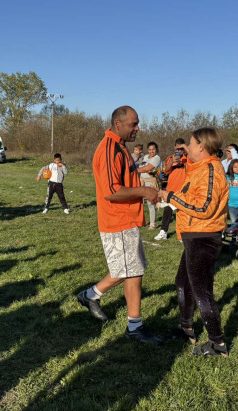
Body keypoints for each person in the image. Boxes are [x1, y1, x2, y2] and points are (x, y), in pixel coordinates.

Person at [77, 105, 162, 345]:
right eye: (133, 124)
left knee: (130, 269)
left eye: (137, 124)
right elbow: (111, 191)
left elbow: (125, 176)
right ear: (118, 124)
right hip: (117, 220)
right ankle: (134, 326)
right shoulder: (108, 149)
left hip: (126, 219)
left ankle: (91, 296)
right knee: (131, 271)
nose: (138, 128)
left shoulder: (120, 148)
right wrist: (145, 191)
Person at [158, 127, 229, 357]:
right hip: (194, 235)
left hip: (204, 237)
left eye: (190, 143)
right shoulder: (199, 167)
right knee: (183, 282)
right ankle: (186, 328)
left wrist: (171, 197)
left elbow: (203, 207)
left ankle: (218, 344)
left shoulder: (211, 169)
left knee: (201, 292)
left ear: (202, 145)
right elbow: (193, 195)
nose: (187, 147)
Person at [155, 138, 187, 241]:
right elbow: (166, 170)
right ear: (174, 147)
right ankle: (163, 231)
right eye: (177, 148)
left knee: (182, 212)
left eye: (181, 148)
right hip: (171, 188)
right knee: (167, 210)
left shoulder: (188, 158)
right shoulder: (170, 158)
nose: (179, 151)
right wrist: (172, 161)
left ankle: (182, 234)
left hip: (183, 189)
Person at [137, 141, 162, 229]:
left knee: (150, 203)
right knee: (139, 203)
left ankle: (152, 223)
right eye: (150, 149)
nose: (151, 151)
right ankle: (140, 221)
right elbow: (139, 164)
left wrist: (133, 171)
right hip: (142, 181)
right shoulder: (145, 157)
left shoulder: (157, 158)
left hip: (151, 182)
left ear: (156, 150)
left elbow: (146, 168)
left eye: (153, 149)